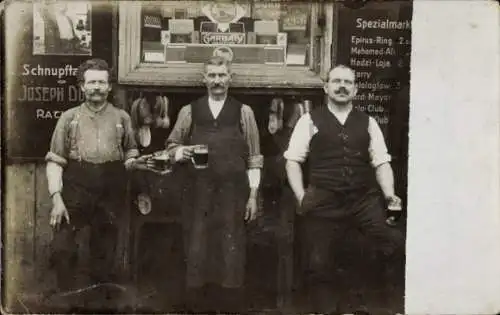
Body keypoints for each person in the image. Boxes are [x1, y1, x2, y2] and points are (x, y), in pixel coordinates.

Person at [284, 64, 405, 314]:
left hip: (363, 200)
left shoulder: (368, 123)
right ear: (326, 87)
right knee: (319, 261)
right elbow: (293, 160)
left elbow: (381, 162)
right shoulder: (309, 120)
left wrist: (389, 194)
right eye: (336, 81)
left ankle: (365, 304)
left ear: (355, 90)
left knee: (390, 242)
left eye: (347, 82)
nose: (342, 86)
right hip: (323, 199)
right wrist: (301, 196)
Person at [165, 55, 263, 313]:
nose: (217, 80)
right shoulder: (189, 111)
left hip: (233, 193)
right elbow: (171, 146)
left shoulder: (244, 112)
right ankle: (198, 306)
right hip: (198, 193)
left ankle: (229, 306)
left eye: (222, 75)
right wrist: (181, 152)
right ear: (204, 79)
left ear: (230, 78)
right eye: (212, 75)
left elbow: (254, 158)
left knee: (231, 249)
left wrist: (253, 195)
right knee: (196, 246)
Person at [45, 58, 140, 311]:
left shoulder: (122, 117)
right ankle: (67, 304)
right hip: (76, 187)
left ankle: (100, 308)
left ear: (109, 87)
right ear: (81, 86)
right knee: (63, 248)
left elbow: (131, 151)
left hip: (111, 188)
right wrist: (56, 198)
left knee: (104, 253)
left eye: (101, 82)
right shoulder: (68, 118)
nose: (96, 87)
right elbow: (55, 161)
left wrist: (133, 163)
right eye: (91, 82)